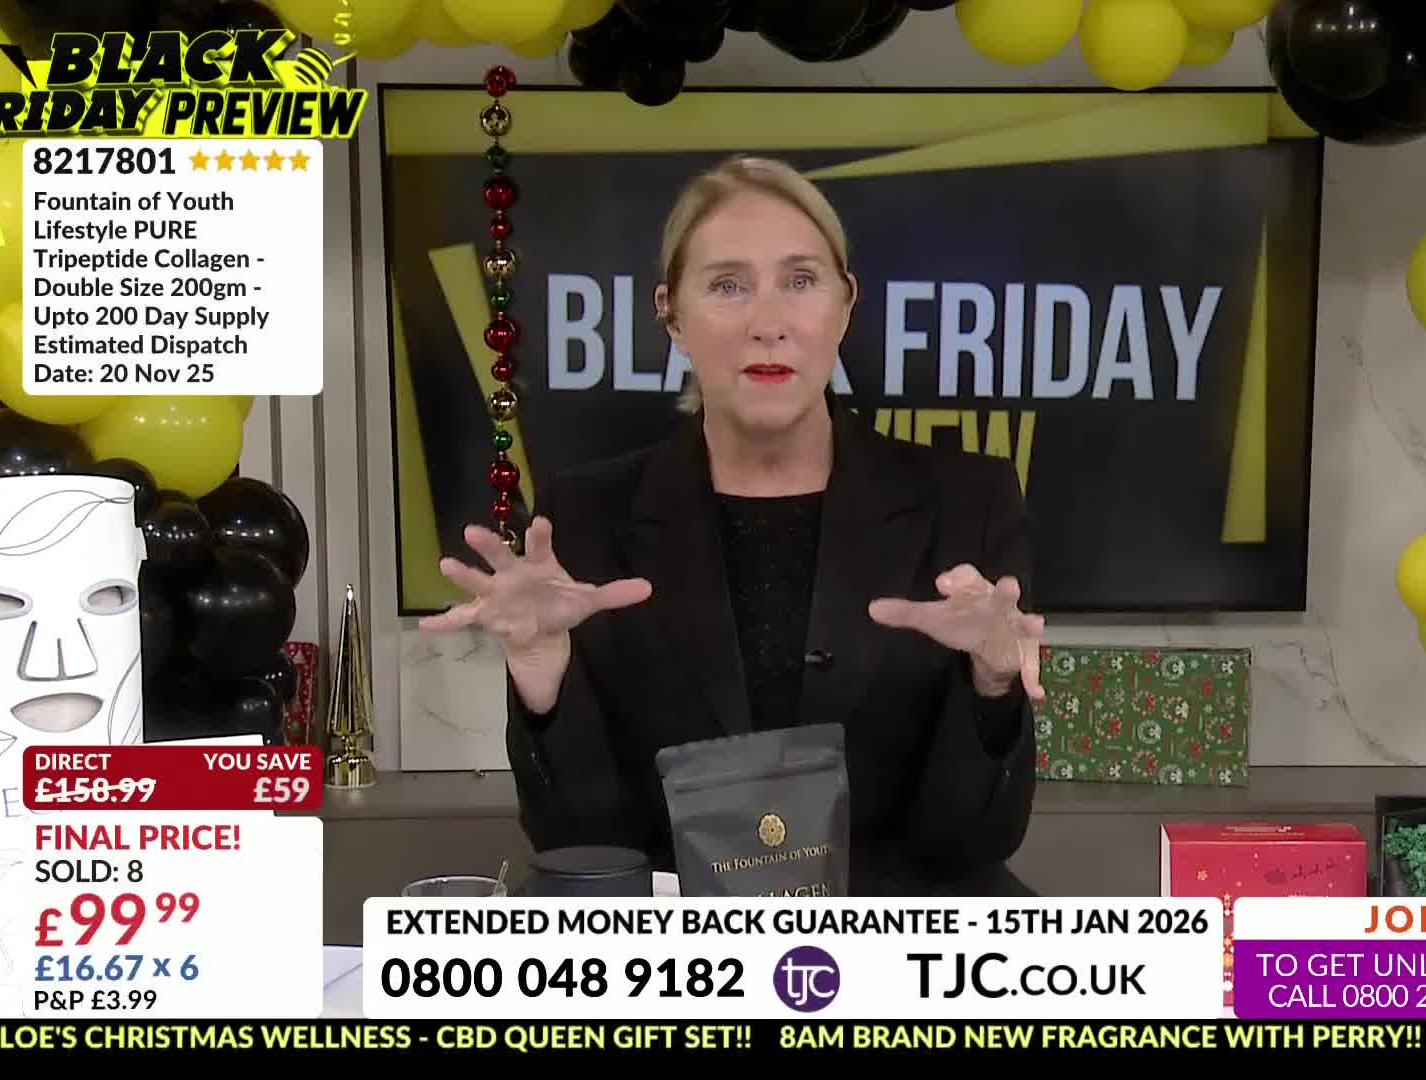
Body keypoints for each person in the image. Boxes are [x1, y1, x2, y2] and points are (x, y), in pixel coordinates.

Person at [419, 155, 1046, 897]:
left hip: (892, 944)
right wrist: (541, 681)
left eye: (800, 281)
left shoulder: (967, 502)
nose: (768, 325)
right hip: (681, 950)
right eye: (727, 286)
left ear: (846, 304)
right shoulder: (586, 515)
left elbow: (972, 846)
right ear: (671, 315)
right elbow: (583, 849)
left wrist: (992, 687)